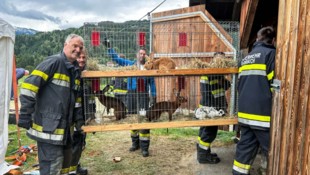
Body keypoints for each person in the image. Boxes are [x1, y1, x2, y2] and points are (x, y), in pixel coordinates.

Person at [18, 34, 85, 175]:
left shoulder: (75, 71)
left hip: (65, 131)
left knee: (65, 167)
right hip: (48, 129)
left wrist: (79, 120)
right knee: (51, 168)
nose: (78, 49)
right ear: (65, 45)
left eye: (81, 47)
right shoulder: (54, 62)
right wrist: (25, 114)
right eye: (75, 46)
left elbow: (77, 100)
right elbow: (29, 86)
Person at [232, 26, 276, 175]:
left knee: (245, 148)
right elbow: (274, 87)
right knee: (272, 150)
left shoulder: (246, 58)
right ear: (273, 40)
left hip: (245, 114)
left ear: (257, 39)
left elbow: (239, 85)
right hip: (262, 116)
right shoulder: (271, 54)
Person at [106, 40, 156, 157]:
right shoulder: (130, 65)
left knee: (143, 119)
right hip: (132, 94)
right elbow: (117, 59)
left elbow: (152, 83)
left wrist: (153, 95)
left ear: (146, 56)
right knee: (133, 118)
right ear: (136, 55)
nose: (142, 55)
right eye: (140, 53)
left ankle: (144, 147)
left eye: (144, 54)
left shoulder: (148, 68)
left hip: (143, 94)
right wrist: (110, 48)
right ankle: (135, 143)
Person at [196, 52, 231, 164]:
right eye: (219, 59)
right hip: (209, 109)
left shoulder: (219, 73)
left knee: (206, 131)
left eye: (223, 60)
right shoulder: (207, 72)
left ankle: (205, 153)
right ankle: (202, 157)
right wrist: (213, 111)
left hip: (215, 108)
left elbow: (227, 86)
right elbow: (206, 94)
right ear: (214, 60)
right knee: (209, 133)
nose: (221, 62)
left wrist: (221, 79)